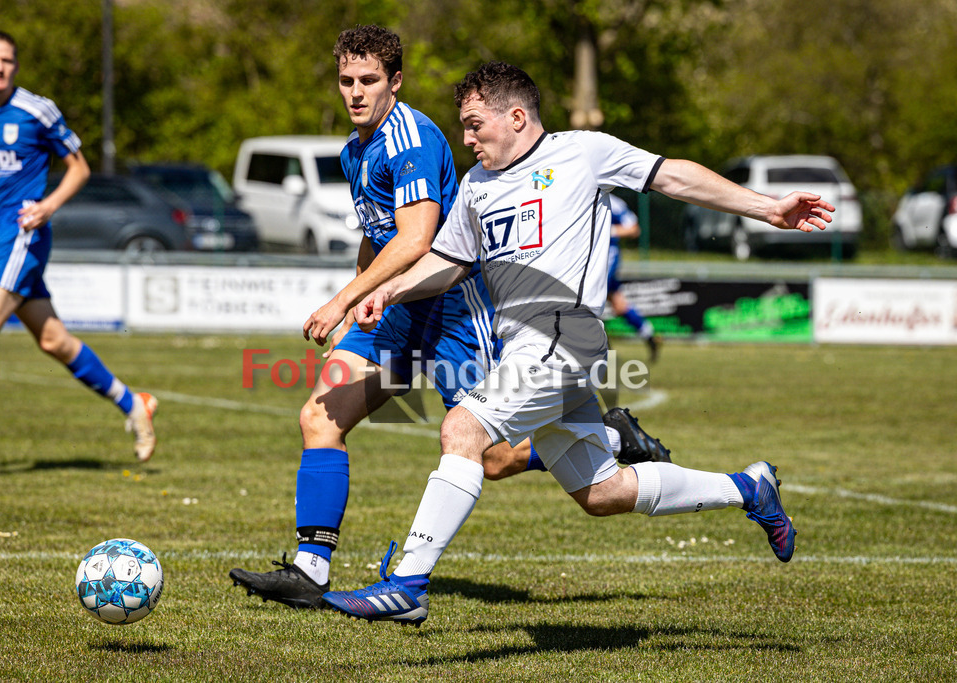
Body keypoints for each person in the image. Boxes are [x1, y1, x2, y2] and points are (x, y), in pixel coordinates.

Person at [322, 61, 832, 625]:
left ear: (516, 117)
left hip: (564, 336)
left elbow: (673, 176)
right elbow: (448, 262)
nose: (465, 139)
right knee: (602, 492)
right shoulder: (475, 186)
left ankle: (407, 583)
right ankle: (748, 487)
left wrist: (767, 208)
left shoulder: (582, 152)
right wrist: (386, 292)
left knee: (462, 429)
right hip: (522, 347)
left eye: (473, 125)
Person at [228, 27, 672, 610]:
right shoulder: (354, 150)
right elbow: (377, 236)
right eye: (346, 81)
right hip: (390, 313)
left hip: (451, 312)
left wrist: (342, 299)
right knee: (319, 415)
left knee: (492, 456)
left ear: (396, 81)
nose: (355, 93)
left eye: (368, 81)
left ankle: (613, 435)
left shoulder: (411, 139)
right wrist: (359, 306)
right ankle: (311, 571)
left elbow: (416, 241)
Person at [0, 31, 157, 475]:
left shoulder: (36, 110)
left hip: (24, 233)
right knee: (54, 340)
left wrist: (48, 206)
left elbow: (80, 167)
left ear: (15, 66)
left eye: (7, 60)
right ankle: (134, 403)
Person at [605, 194, 661, 361]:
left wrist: (606, 230)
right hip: (587, 258)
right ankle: (650, 335)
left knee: (590, 299)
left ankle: (600, 351)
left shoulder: (614, 202)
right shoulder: (579, 194)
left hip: (606, 258)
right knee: (619, 305)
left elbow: (633, 228)